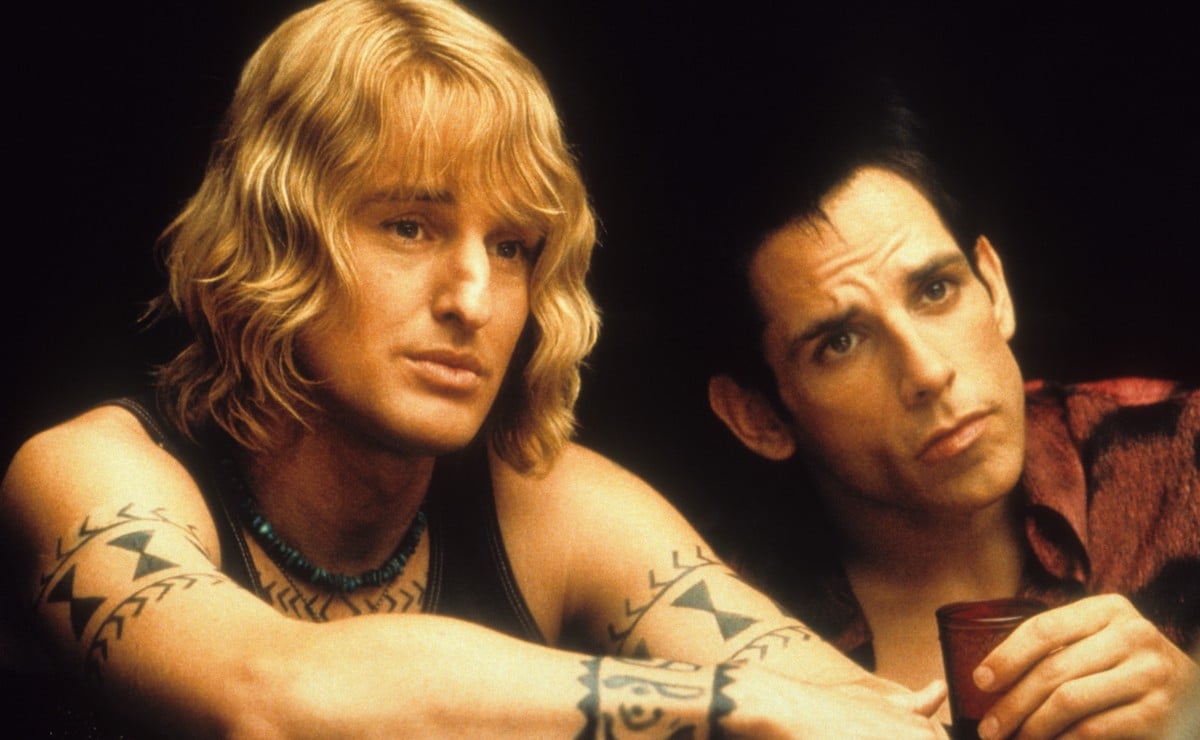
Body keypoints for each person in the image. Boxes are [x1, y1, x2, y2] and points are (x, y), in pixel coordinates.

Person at [0, 1, 953, 737]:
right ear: (278, 236)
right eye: (409, 227)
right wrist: (738, 707)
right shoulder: (93, 474)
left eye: (510, 247)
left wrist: (1037, 685)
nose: (474, 298)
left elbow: (848, 709)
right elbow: (273, 696)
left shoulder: (549, 503)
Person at [701, 81, 1200, 738]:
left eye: (936, 290)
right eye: (841, 343)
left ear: (995, 286)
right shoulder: (719, 620)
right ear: (757, 417)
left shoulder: (1183, 456)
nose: (928, 372)